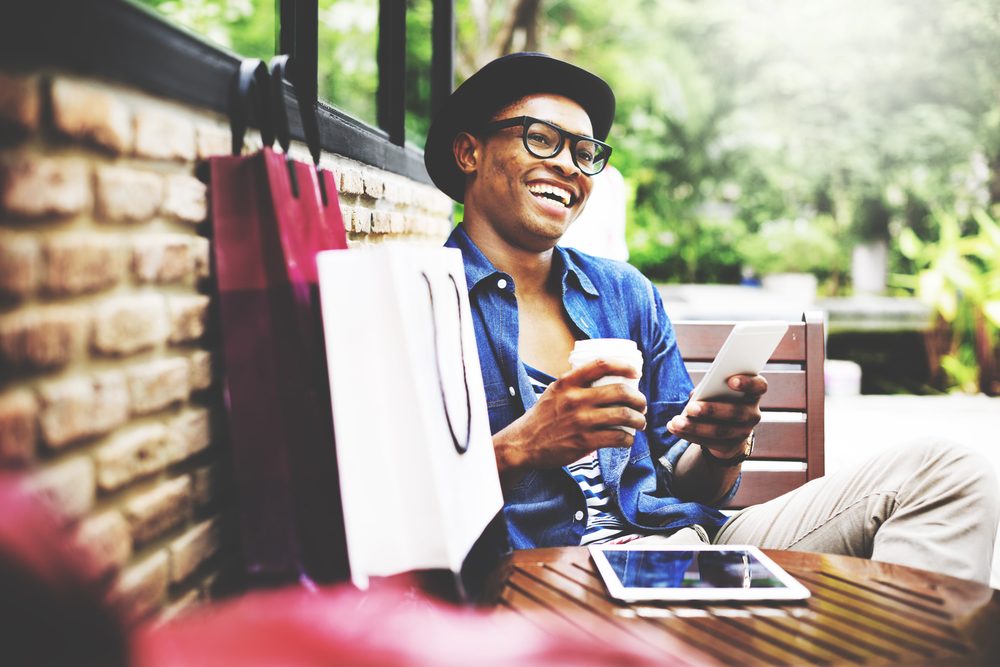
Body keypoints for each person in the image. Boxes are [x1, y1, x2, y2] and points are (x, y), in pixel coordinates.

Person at [423, 52, 1000, 584]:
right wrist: (523, 445)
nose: (570, 167)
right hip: (532, 572)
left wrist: (721, 446)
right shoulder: (418, 300)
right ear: (468, 152)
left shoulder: (623, 293)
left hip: (682, 550)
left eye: (585, 151)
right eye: (542, 139)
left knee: (947, 474)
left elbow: (684, 481)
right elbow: (383, 505)